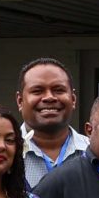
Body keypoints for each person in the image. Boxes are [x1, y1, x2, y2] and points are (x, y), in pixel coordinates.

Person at [17, 57, 85, 187]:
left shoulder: (94, 153)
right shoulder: (3, 153)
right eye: (37, 91)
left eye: (59, 90)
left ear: (73, 99)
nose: (49, 97)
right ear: (20, 101)